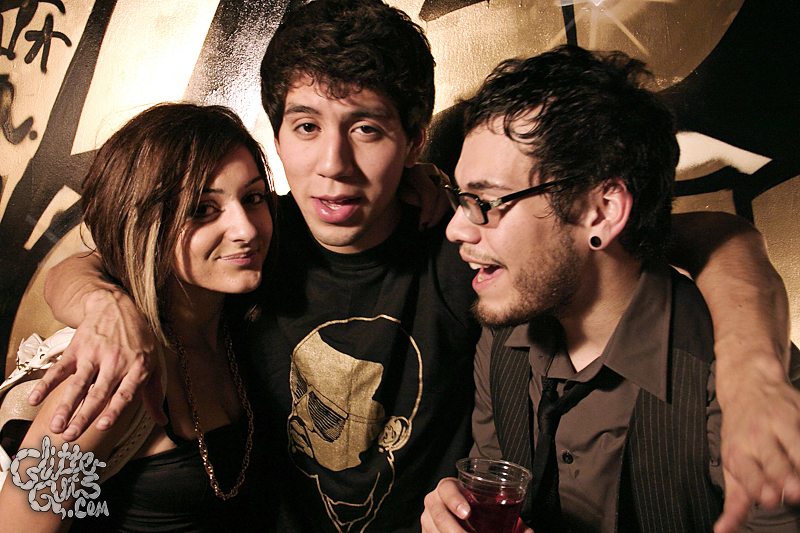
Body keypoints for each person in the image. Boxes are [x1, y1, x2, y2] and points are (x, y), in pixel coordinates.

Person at [28, 1, 799, 531]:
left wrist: (752, 368)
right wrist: (98, 302)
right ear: (279, 134)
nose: (332, 165)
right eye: (305, 126)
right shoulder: (236, 265)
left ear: (413, 139)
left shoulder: (474, 251)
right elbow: (29, 506)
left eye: (366, 129)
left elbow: (687, 241)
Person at [421, 45, 800, 533]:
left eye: (486, 201)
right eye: (459, 198)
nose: (457, 228)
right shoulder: (502, 342)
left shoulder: (746, 397)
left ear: (601, 212)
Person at [0, 103, 276, 531]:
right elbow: (18, 525)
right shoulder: (111, 371)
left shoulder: (240, 325)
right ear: (143, 223)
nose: (247, 229)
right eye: (202, 209)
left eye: (253, 198)